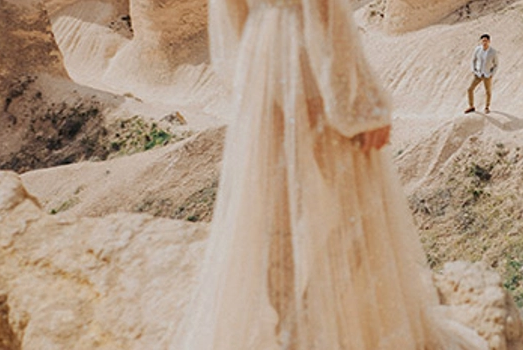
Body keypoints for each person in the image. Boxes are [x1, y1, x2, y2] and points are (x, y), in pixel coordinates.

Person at [176, 0, 485, 349]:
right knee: (359, 201)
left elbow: (230, 13)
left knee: (273, 210)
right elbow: (325, 13)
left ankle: (287, 330)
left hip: (259, 58)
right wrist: (363, 105)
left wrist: (249, 71)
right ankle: (321, 316)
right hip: (305, 60)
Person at [466, 34, 498, 114]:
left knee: (488, 91)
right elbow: (473, 60)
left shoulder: (493, 52)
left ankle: (487, 107)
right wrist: (474, 70)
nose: (484, 42)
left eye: (486, 41)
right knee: (470, 89)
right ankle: (471, 106)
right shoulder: (477, 49)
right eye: (483, 41)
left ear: (489, 41)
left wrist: (492, 74)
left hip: (487, 74)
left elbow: (496, 64)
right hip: (478, 74)